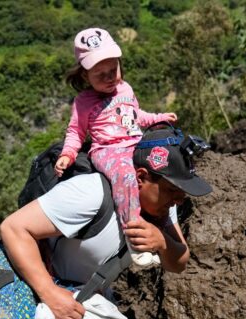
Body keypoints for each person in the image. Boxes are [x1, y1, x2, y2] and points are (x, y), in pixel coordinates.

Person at [2, 127, 212, 319]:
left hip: (88, 295)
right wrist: (50, 293)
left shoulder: (164, 206)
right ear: (141, 178)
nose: (179, 200)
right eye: (172, 190)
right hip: (39, 288)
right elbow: (14, 227)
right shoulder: (92, 193)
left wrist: (162, 242)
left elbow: (179, 263)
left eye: (182, 192)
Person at [54, 27, 178, 267]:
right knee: (126, 177)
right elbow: (75, 132)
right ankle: (135, 240)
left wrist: (158, 118)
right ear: (85, 76)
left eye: (113, 70)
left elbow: (135, 116)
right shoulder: (83, 102)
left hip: (135, 143)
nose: (110, 78)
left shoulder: (126, 89)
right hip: (108, 150)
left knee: (164, 166)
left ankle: (164, 228)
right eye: (100, 74)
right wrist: (67, 154)